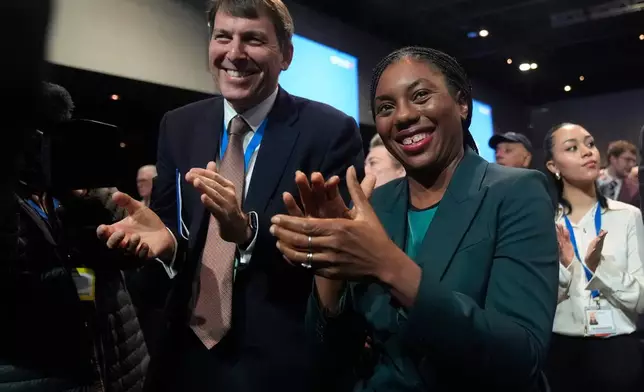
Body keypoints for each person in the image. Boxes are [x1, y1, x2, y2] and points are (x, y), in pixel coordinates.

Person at [96, 0, 364, 391]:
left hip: (277, 363)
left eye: (253, 39)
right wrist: (167, 243)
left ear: (286, 55)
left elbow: (336, 255)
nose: (234, 53)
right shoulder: (179, 125)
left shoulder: (329, 132)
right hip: (182, 356)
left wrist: (248, 235)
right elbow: (174, 228)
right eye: (223, 36)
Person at [269, 46, 559, 391]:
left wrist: (388, 265)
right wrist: (329, 269)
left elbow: (520, 356)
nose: (403, 116)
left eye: (420, 96)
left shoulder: (516, 192)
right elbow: (333, 355)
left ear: (462, 103)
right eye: (386, 108)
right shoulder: (376, 204)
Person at [544, 123, 644, 392]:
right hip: (562, 349)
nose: (587, 152)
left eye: (589, 144)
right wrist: (566, 269)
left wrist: (599, 266)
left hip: (619, 350)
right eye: (572, 148)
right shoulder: (544, 223)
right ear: (553, 166)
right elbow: (539, 302)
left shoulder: (627, 216)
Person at [598, 140, 640, 208]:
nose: (631, 165)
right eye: (627, 159)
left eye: (634, 161)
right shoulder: (591, 180)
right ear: (613, 159)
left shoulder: (635, 191)